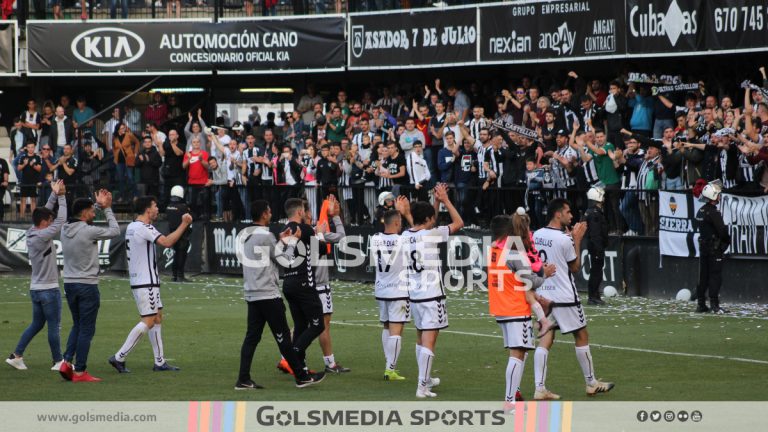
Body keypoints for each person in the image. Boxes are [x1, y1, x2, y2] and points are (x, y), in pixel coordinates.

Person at [236, 200, 325, 389]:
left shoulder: (245, 235)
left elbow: (268, 250)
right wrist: (292, 241)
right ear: (263, 214)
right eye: (268, 211)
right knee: (284, 338)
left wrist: (281, 239)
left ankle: (243, 379)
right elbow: (285, 261)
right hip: (267, 294)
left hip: (251, 293)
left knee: (252, 337)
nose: (270, 214)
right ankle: (301, 376)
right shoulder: (265, 236)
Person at [532, 198, 614, 400]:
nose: (571, 215)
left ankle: (539, 387)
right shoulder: (564, 239)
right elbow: (575, 267)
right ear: (557, 214)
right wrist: (576, 240)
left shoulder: (537, 234)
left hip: (545, 295)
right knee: (582, 335)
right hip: (565, 296)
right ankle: (591, 383)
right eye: (568, 212)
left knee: (545, 338)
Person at [108, 196, 192, 374]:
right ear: (147, 209)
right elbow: (167, 242)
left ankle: (159, 361)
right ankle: (119, 357)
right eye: (154, 206)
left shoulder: (132, 226)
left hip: (143, 280)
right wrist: (184, 224)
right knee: (148, 320)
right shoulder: (144, 228)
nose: (157, 209)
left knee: (157, 317)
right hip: (146, 282)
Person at [397, 183, 463, 398]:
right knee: (429, 340)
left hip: (415, 295)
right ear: (428, 220)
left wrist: (431, 204)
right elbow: (459, 223)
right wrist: (445, 200)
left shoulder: (406, 235)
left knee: (420, 338)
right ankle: (421, 386)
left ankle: (424, 379)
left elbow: (424, 224)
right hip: (432, 295)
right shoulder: (432, 235)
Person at [487, 215, 555, 408]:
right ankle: (509, 403)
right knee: (517, 354)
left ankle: (512, 397)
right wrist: (545, 274)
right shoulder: (513, 252)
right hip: (516, 308)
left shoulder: (492, 249)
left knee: (517, 353)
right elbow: (530, 280)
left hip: (501, 307)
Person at [59, 191, 120, 382]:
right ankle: (80, 371)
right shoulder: (88, 230)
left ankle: (66, 362)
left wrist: (96, 203)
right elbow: (115, 230)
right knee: (87, 329)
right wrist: (107, 208)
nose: (94, 214)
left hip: (69, 283)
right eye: (92, 212)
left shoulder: (64, 228)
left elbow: (82, 211)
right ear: (84, 213)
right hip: (87, 285)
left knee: (77, 325)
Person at [6, 180, 66, 372]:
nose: (50, 221)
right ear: (44, 223)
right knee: (53, 326)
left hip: (36, 289)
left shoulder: (33, 230)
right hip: (48, 289)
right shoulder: (43, 235)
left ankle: (16, 355)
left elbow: (44, 211)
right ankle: (58, 361)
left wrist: (54, 194)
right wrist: (62, 196)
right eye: (48, 220)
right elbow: (61, 220)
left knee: (37, 324)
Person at [279, 198, 329, 373]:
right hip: (304, 283)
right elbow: (322, 251)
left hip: (288, 283)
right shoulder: (305, 229)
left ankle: (301, 367)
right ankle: (292, 355)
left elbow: (283, 257)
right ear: (300, 212)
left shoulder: (283, 231)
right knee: (318, 325)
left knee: (300, 325)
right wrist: (320, 233)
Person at [308, 196, 350, 374]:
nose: (312, 214)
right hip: (320, 285)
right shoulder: (318, 233)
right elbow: (341, 237)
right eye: (308, 212)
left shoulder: (294, 234)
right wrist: (336, 216)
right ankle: (330, 363)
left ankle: (286, 357)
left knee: (303, 324)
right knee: (323, 325)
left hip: (305, 284)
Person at [371, 199, 411, 381]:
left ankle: (388, 366)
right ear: (396, 223)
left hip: (381, 289)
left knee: (386, 326)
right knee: (396, 329)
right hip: (398, 290)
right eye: (400, 222)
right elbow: (418, 231)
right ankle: (390, 369)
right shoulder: (402, 240)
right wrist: (405, 213)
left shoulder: (375, 239)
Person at [695, 181, 731, 314]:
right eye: (718, 195)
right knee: (715, 276)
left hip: (703, 247)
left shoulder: (701, 211)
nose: (719, 197)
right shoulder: (713, 213)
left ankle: (701, 303)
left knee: (703, 276)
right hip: (714, 249)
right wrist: (726, 241)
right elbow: (722, 231)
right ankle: (714, 304)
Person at [583, 187, 608, 305]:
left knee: (596, 271)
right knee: (596, 272)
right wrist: (599, 249)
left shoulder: (591, 212)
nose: (603, 199)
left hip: (595, 246)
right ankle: (593, 296)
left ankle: (594, 295)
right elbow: (595, 233)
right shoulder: (595, 214)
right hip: (596, 247)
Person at [166, 186, 192, 283]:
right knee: (181, 254)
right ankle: (180, 275)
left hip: (172, 232)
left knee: (176, 253)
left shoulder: (168, 206)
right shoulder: (183, 207)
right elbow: (191, 217)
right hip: (182, 233)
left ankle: (174, 275)